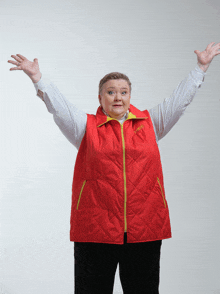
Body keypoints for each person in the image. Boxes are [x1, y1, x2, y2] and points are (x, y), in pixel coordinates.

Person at [8, 42, 220, 294]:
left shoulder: (151, 123)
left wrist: (200, 68)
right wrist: (38, 79)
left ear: (130, 96)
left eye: (123, 92)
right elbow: (59, 108)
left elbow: (179, 102)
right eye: (110, 92)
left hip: (145, 228)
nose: (117, 97)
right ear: (100, 97)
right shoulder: (85, 127)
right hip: (95, 229)